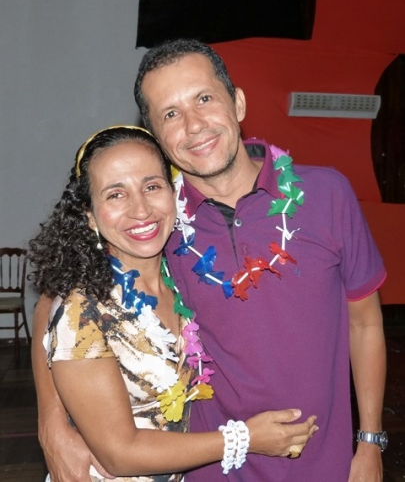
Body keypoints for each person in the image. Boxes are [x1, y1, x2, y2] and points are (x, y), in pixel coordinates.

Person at [32, 38, 387, 481]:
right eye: (170, 114)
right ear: (156, 135)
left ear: (237, 102)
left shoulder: (327, 195)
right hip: (210, 469)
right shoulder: (156, 220)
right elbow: (58, 302)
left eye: (204, 98)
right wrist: (52, 425)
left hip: (324, 465)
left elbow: (365, 323)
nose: (194, 125)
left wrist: (370, 442)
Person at [29, 125, 318, 482]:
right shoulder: (84, 310)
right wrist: (246, 438)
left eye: (152, 186)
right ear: (89, 215)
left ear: (174, 192)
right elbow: (120, 454)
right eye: (116, 195)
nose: (140, 210)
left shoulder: (184, 273)